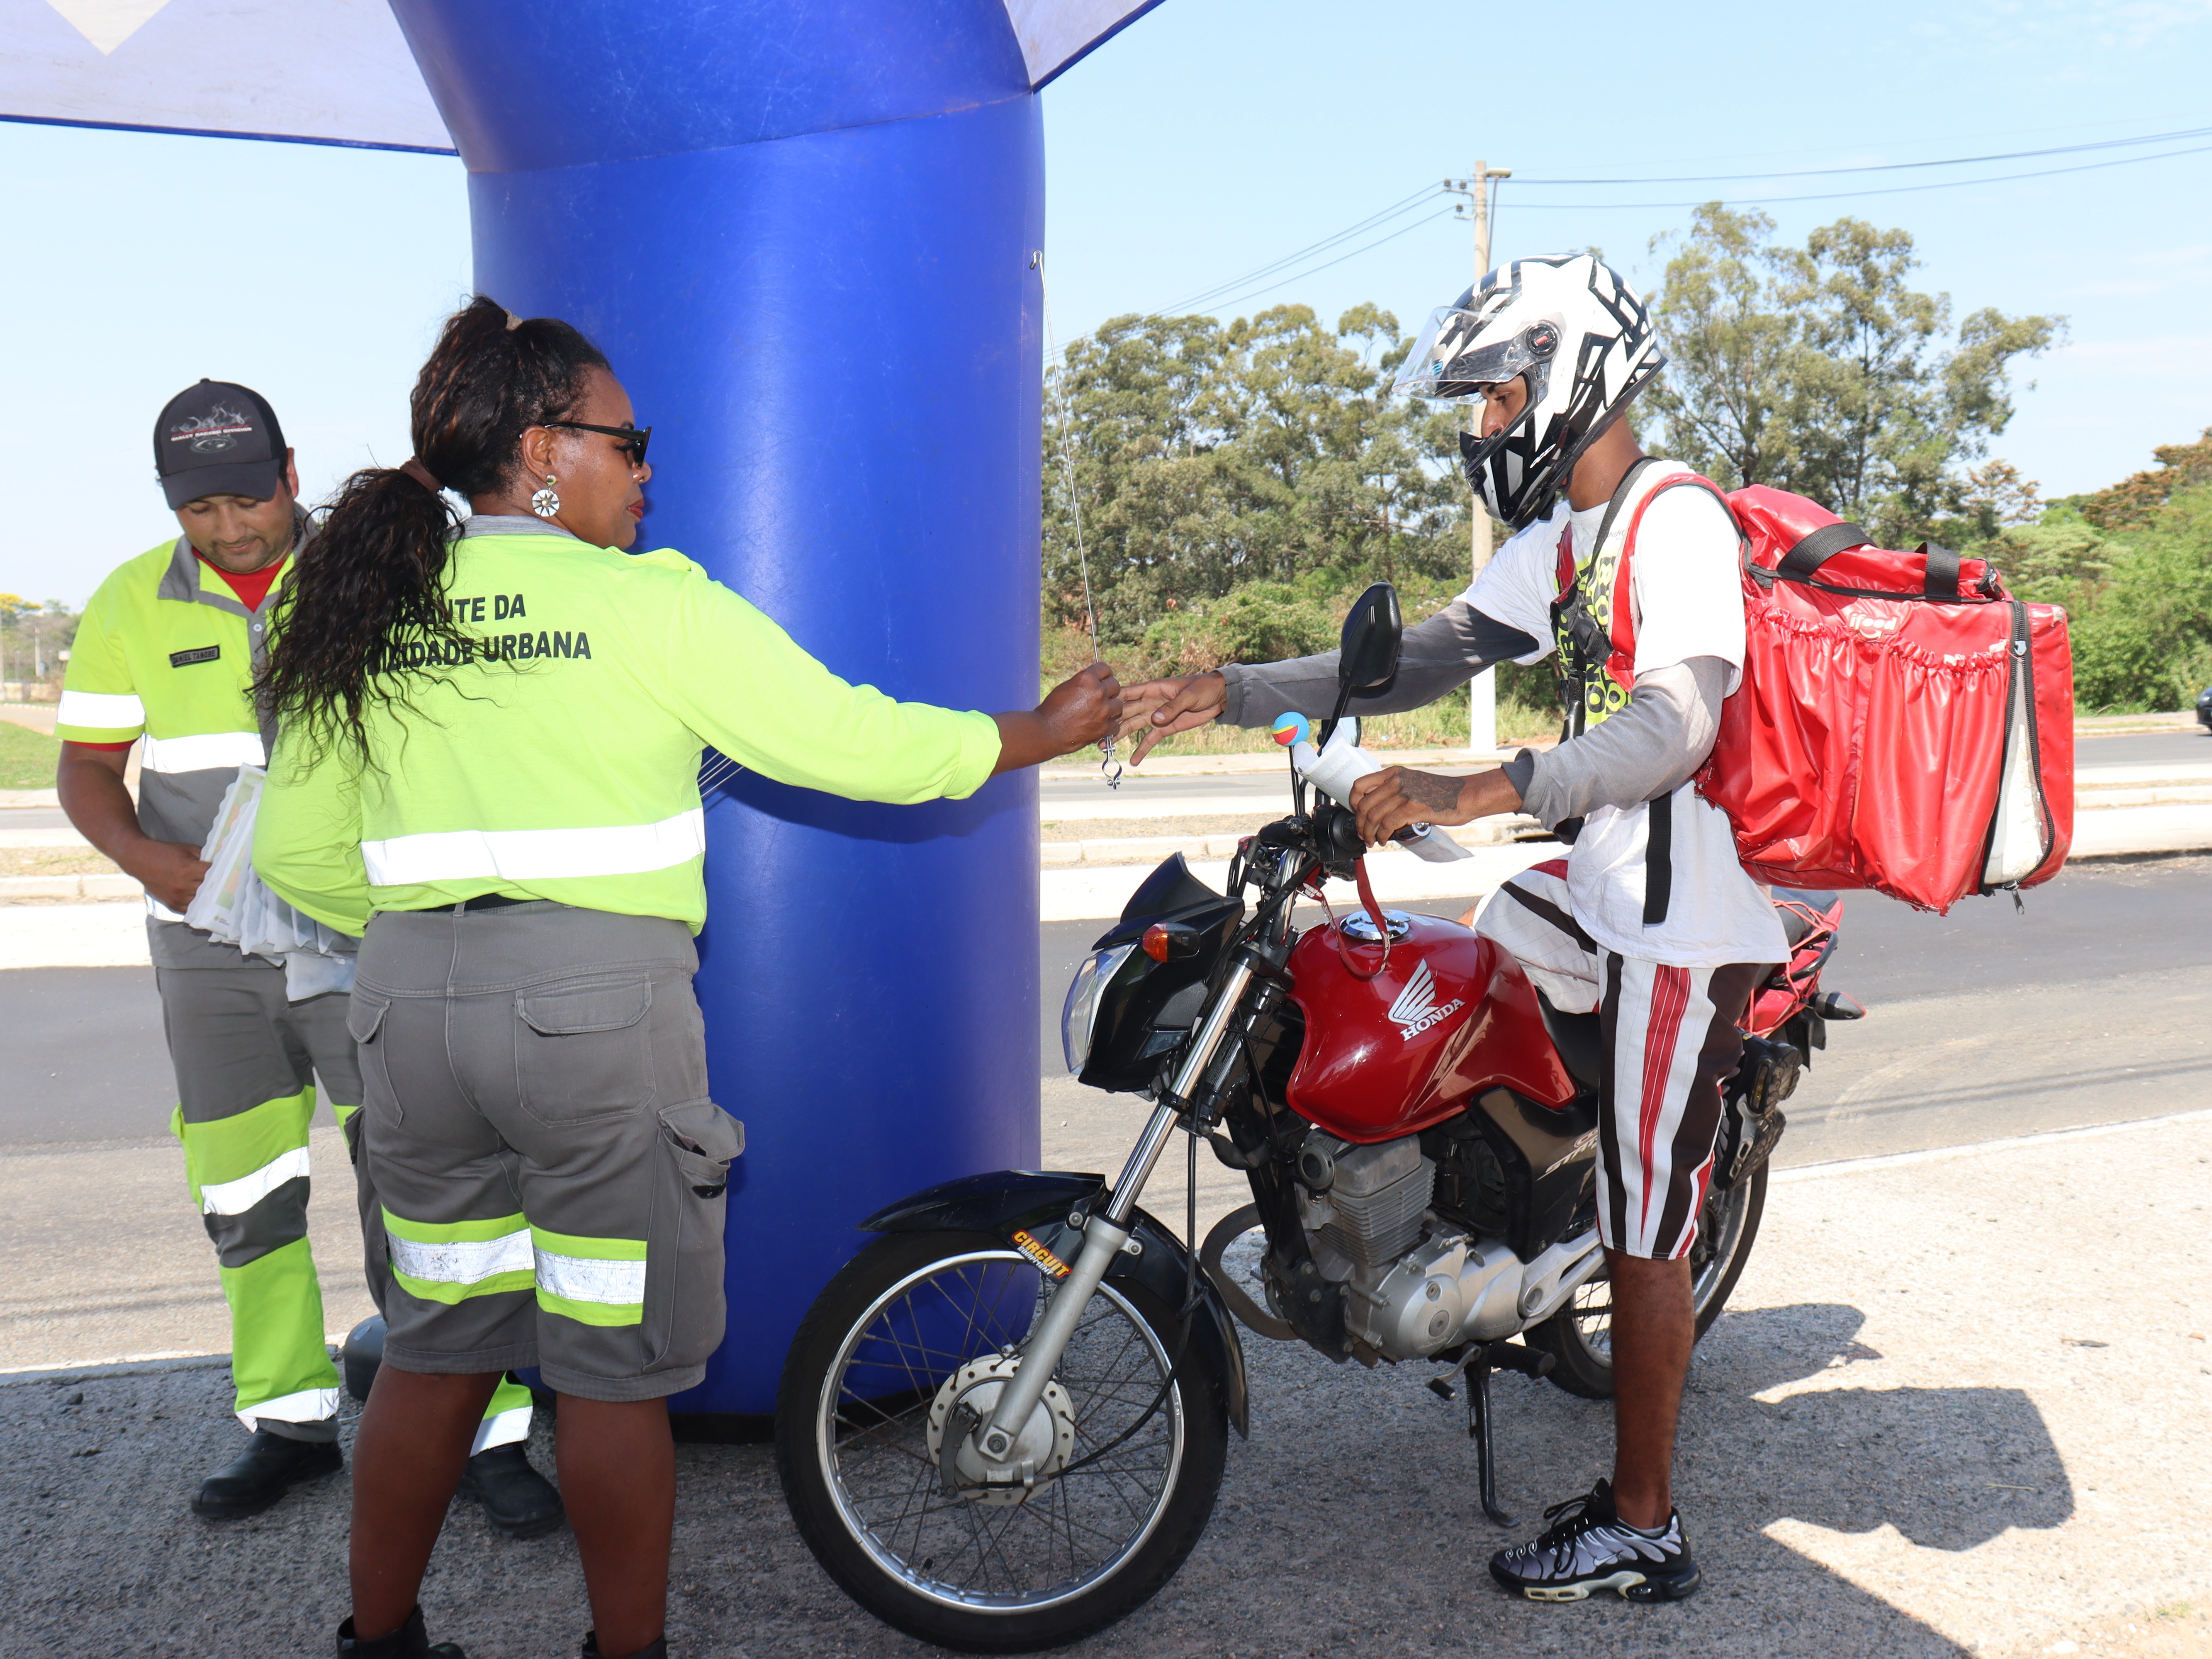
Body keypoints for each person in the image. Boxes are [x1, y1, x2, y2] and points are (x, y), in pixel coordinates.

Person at [252, 297, 1122, 1659]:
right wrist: (1043, 731)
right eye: (627, 437)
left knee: (434, 1348)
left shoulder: (364, 598)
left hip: (406, 1007)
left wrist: (444, 926)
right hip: (598, 1016)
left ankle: (378, 1642)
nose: (647, 466)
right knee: (610, 1368)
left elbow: (299, 851)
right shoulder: (648, 605)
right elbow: (858, 744)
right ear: (543, 449)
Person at [1118, 254, 1788, 1605]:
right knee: (1451, 968)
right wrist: (1232, 689)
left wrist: (1479, 785)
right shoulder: (1570, 538)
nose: (1485, 426)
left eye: (1497, 398)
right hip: (1590, 889)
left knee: (1651, 1221)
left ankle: (1643, 1522)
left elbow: (1678, 725)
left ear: (1572, 377)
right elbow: (1429, 652)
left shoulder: (1677, 523)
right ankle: (1489, 1232)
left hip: (1683, 927)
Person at [54, 380, 556, 1531]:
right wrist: (145, 859)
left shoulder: (378, 571)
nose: (229, 528)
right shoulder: (130, 601)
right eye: (200, 510)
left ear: (292, 472)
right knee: (244, 1190)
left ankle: (490, 1431)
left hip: (365, 933)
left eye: (247, 498)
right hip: (207, 951)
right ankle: (284, 1421)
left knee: (431, 1188)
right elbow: (87, 767)